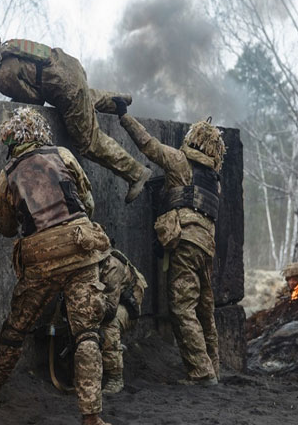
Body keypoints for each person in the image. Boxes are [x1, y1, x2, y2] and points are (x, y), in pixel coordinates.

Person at [0, 107, 112, 425]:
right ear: (40, 133)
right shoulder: (62, 154)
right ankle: (92, 417)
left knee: (17, 327)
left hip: (41, 258)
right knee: (87, 333)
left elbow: (6, 227)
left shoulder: (8, 174)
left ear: (10, 141)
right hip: (81, 247)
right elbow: (87, 203)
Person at [0, 30, 152, 203]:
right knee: (82, 97)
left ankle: (136, 173)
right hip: (68, 66)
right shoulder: (4, 48)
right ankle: (118, 101)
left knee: (88, 142)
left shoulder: (2, 76)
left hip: (65, 88)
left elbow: (34, 99)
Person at [113, 97, 224, 386]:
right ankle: (214, 367)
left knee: (182, 308)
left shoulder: (180, 162)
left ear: (193, 140)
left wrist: (124, 117)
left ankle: (201, 373)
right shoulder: (214, 179)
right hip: (206, 247)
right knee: (205, 309)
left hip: (185, 244)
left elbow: (148, 145)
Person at [98, 248, 147, 394]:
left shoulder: (111, 265)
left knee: (109, 325)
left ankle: (115, 378)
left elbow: (110, 308)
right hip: (104, 302)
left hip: (125, 308)